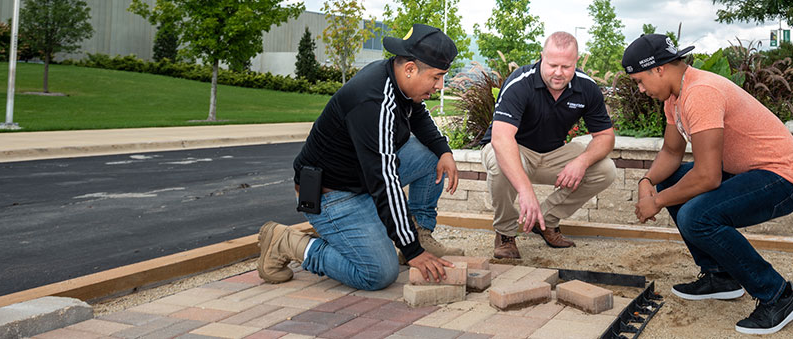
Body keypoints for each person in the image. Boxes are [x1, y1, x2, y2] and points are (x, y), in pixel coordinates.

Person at [622, 34, 793, 335]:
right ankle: (720, 276)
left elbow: (708, 176)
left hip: (783, 179)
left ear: (658, 69)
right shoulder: (675, 97)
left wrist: (657, 202)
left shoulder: (701, 93)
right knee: (671, 180)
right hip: (749, 173)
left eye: (640, 81)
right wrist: (647, 181)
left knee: (696, 216)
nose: (641, 89)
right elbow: (672, 152)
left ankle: (779, 295)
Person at [258, 24, 463, 290]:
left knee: (431, 156)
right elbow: (385, 182)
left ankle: (420, 234)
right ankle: (287, 242)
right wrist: (411, 251)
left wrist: (443, 151)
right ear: (410, 68)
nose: (440, 85)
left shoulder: (397, 80)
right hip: (332, 193)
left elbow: (418, 114)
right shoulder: (373, 102)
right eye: (436, 77)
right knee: (378, 273)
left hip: (361, 177)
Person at [479, 31, 617, 259]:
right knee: (498, 158)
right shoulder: (520, 83)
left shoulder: (587, 88)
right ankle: (505, 234)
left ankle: (545, 221)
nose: (558, 73)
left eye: (566, 66)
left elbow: (605, 136)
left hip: (553, 153)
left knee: (605, 169)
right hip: (516, 149)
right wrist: (525, 190)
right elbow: (502, 139)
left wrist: (581, 162)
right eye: (552, 65)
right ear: (542, 57)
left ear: (576, 62)